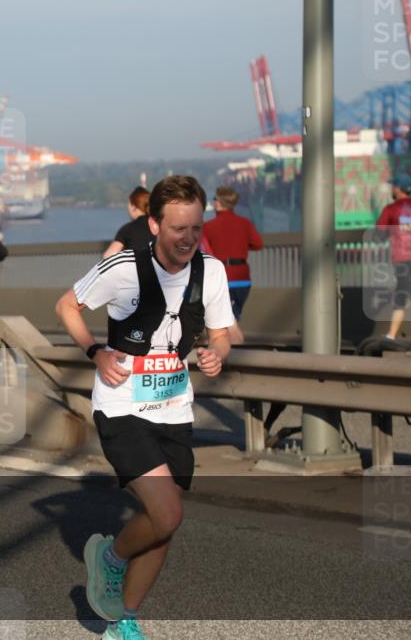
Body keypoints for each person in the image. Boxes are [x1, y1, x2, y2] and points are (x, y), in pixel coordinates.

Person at [55, 175, 234, 640]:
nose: (189, 239)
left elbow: (219, 333)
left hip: (174, 408)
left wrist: (217, 353)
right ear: (154, 223)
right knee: (168, 512)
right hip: (122, 406)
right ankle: (110, 558)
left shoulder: (210, 272)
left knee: (162, 525)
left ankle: (123, 621)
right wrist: (96, 352)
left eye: (196, 227)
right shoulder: (122, 268)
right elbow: (67, 306)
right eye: (178, 229)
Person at [375, 173, 411, 340]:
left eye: (393, 186)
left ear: (398, 189)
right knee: (400, 297)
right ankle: (391, 336)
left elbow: (379, 233)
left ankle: (391, 336)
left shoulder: (391, 210)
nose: (392, 189)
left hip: (402, 260)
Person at [201, 186, 264, 320]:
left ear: (218, 203)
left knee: (222, 323)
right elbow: (258, 244)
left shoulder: (208, 227)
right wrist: (240, 248)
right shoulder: (245, 223)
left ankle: (232, 340)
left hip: (220, 278)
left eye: (215, 200)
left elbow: (202, 250)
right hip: (242, 278)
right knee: (233, 318)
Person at [104, 187, 154, 258]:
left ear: (133, 207)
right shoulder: (157, 227)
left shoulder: (127, 229)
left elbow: (108, 256)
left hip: (135, 268)